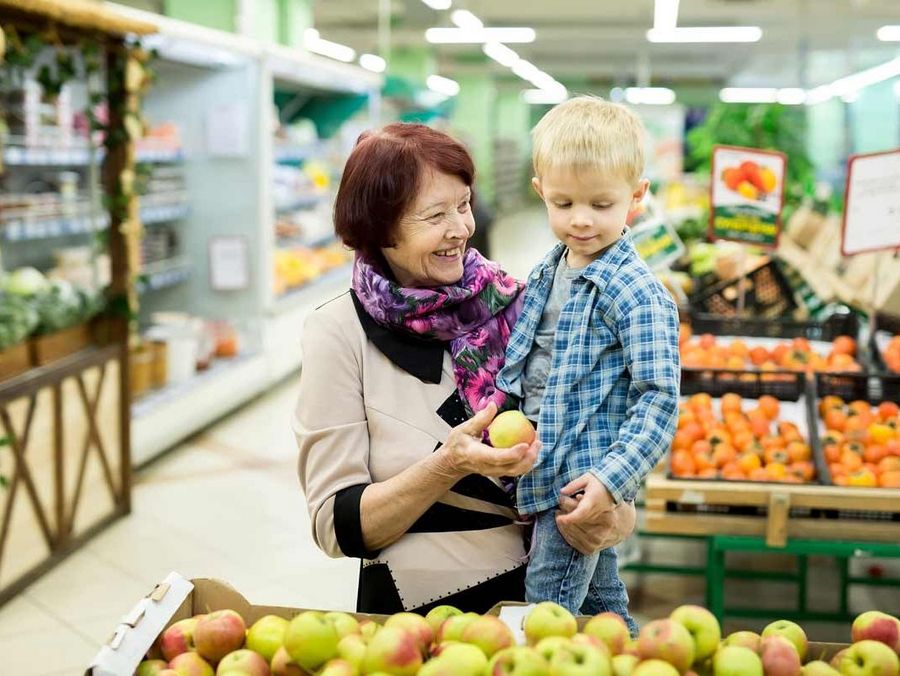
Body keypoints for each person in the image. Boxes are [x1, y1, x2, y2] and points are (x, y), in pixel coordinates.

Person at [294, 122, 638, 615]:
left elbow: (604, 451)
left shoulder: (523, 304)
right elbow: (336, 526)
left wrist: (612, 513)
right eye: (435, 215)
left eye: (463, 204)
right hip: (425, 617)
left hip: (552, 604)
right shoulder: (339, 332)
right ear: (380, 228)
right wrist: (449, 464)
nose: (460, 228)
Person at [497, 97, 681, 632]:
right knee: (603, 611)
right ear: (540, 192)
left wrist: (611, 479)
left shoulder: (639, 293)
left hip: (581, 481)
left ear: (636, 198)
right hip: (543, 468)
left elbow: (658, 400)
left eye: (601, 204)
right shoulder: (545, 272)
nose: (580, 220)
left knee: (546, 616)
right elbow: (527, 365)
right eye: (563, 202)